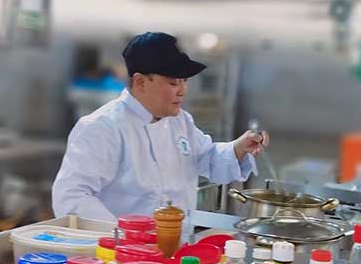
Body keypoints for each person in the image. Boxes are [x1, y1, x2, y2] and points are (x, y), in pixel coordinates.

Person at [52, 32, 268, 232]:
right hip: (121, 256)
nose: (182, 91)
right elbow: (72, 196)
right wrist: (121, 236)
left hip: (175, 249)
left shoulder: (181, 121)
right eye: (173, 82)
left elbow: (207, 157)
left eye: (185, 81)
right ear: (140, 82)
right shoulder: (102, 128)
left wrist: (239, 148)